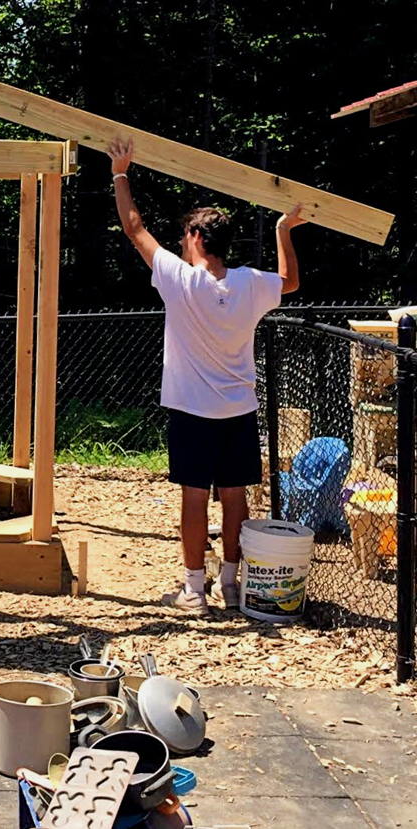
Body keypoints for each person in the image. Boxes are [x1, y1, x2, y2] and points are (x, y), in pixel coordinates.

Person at [106, 137, 307, 615]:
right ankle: (232, 586)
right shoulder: (250, 284)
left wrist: (120, 171)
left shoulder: (181, 279)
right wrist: (283, 230)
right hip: (239, 409)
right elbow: (291, 281)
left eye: (184, 237)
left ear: (196, 239)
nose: (180, 243)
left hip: (193, 410)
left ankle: (194, 590)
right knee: (235, 497)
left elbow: (134, 228)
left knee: (194, 497)